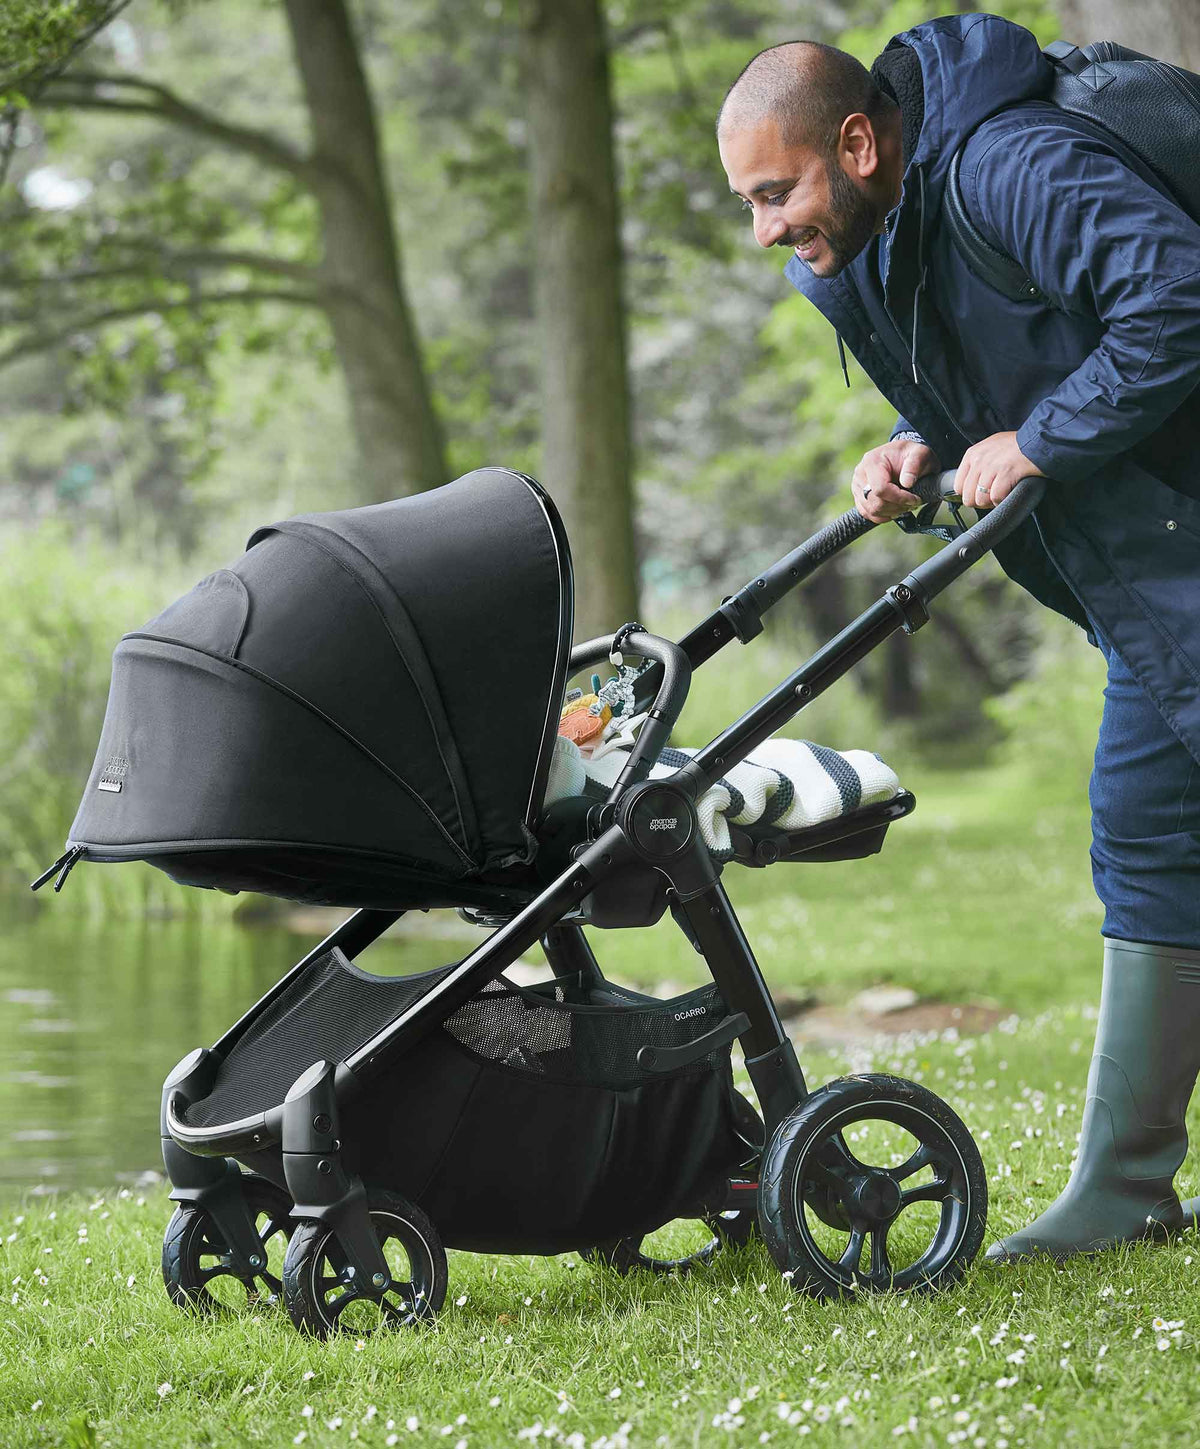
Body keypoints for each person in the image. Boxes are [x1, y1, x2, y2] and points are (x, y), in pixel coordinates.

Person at [717, 11, 1200, 1262]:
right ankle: (1125, 1186)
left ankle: (1125, 1182)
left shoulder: (1011, 167)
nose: (764, 228)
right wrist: (921, 448)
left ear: (861, 143)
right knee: (1149, 838)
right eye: (749, 204)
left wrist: (1037, 441)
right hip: (1160, 578)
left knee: (1152, 833)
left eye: (776, 192)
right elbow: (989, 378)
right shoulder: (871, 243)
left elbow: (1177, 296)